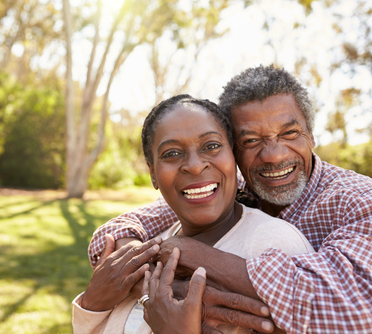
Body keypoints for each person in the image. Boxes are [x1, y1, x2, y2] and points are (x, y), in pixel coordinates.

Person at [87, 65, 372, 333]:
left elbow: (356, 314)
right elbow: (128, 225)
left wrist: (190, 254)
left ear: (311, 134)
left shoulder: (357, 200)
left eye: (289, 133)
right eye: (251, 141)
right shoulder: (236, 188)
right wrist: (148, 275)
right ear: (233, 152)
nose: (274, 155)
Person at [73, 95, 314, 333]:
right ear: (153, 173)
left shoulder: (273, 244)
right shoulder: (149, 245)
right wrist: (92, 304)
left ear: (233, 157)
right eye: (171, 153)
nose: (195, 165)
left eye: (211, 146)